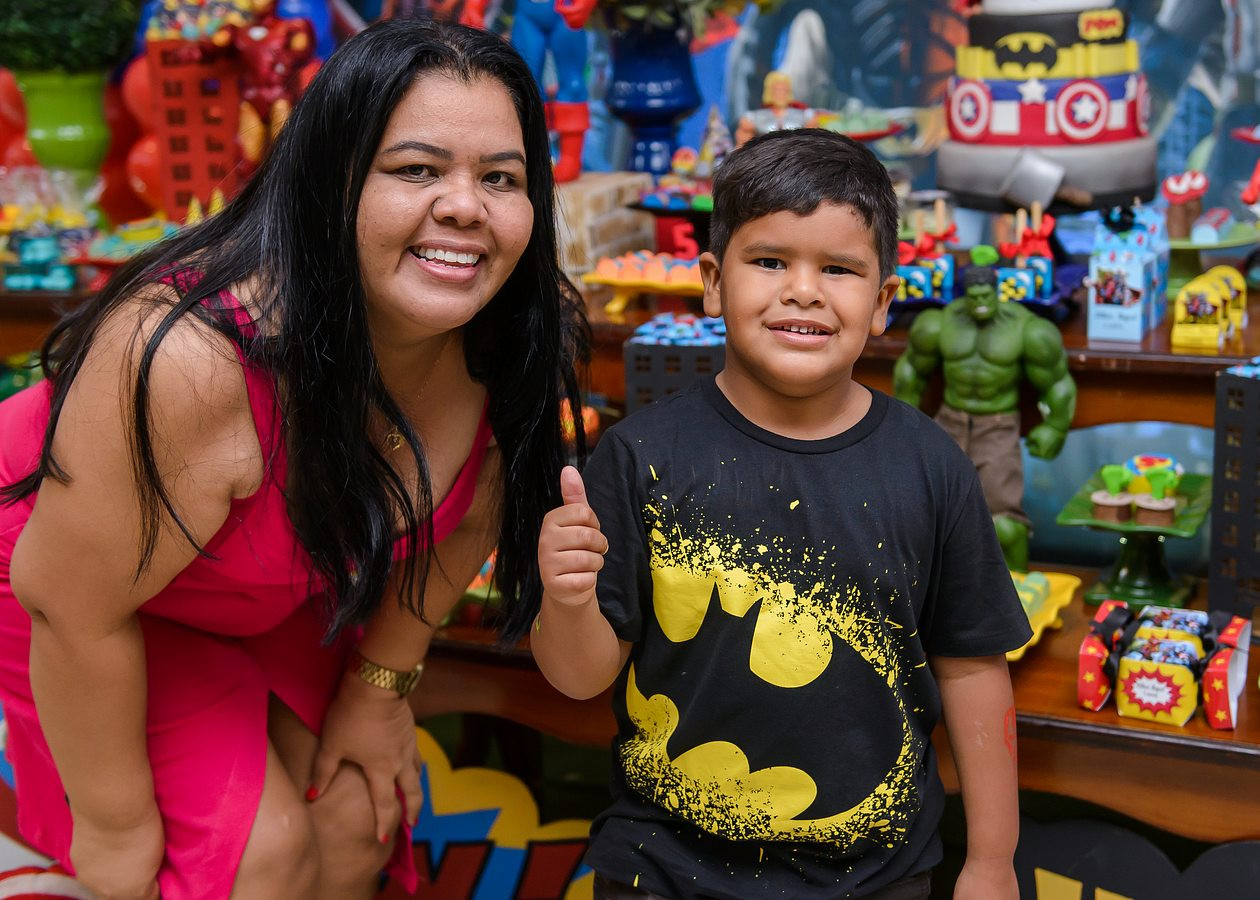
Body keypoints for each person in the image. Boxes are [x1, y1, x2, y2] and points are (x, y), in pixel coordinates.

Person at [0, 18, 585, 900]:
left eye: (500, 177)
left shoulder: (511, 337)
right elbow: (73, 608)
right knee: (258, 856)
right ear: (328, 180)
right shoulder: (189, 360)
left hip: (271, 582)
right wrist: (117, 831)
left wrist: (379, 690)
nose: (466, 206)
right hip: (79, 588)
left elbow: (467, 518)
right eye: (416, 169)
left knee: (353, 817)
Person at [535, 128, 1030, 899]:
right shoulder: (639, 456)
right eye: (769, 261)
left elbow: (973, 669)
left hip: (877, 879)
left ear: (883, 302)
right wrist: (566, 599)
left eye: (838, 268)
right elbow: (578, 678)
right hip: (662, 872)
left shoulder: (932, 466)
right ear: (712, 283)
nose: (803, 290)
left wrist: (992, 860)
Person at [892, 258, 1076, 572]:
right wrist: (903, 425)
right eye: (973, 296)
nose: (980, 302)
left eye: (986, 295)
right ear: (964, 294)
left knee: (1004, 525)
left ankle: (1016, 589)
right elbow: (910, 373)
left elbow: (1057, 382)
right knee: (925, 515)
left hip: (997, 425)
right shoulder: (939, 324)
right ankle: (929, 586)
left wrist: (1056, 426)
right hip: (949, 422)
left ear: (997, 291)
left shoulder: (1027, 330)